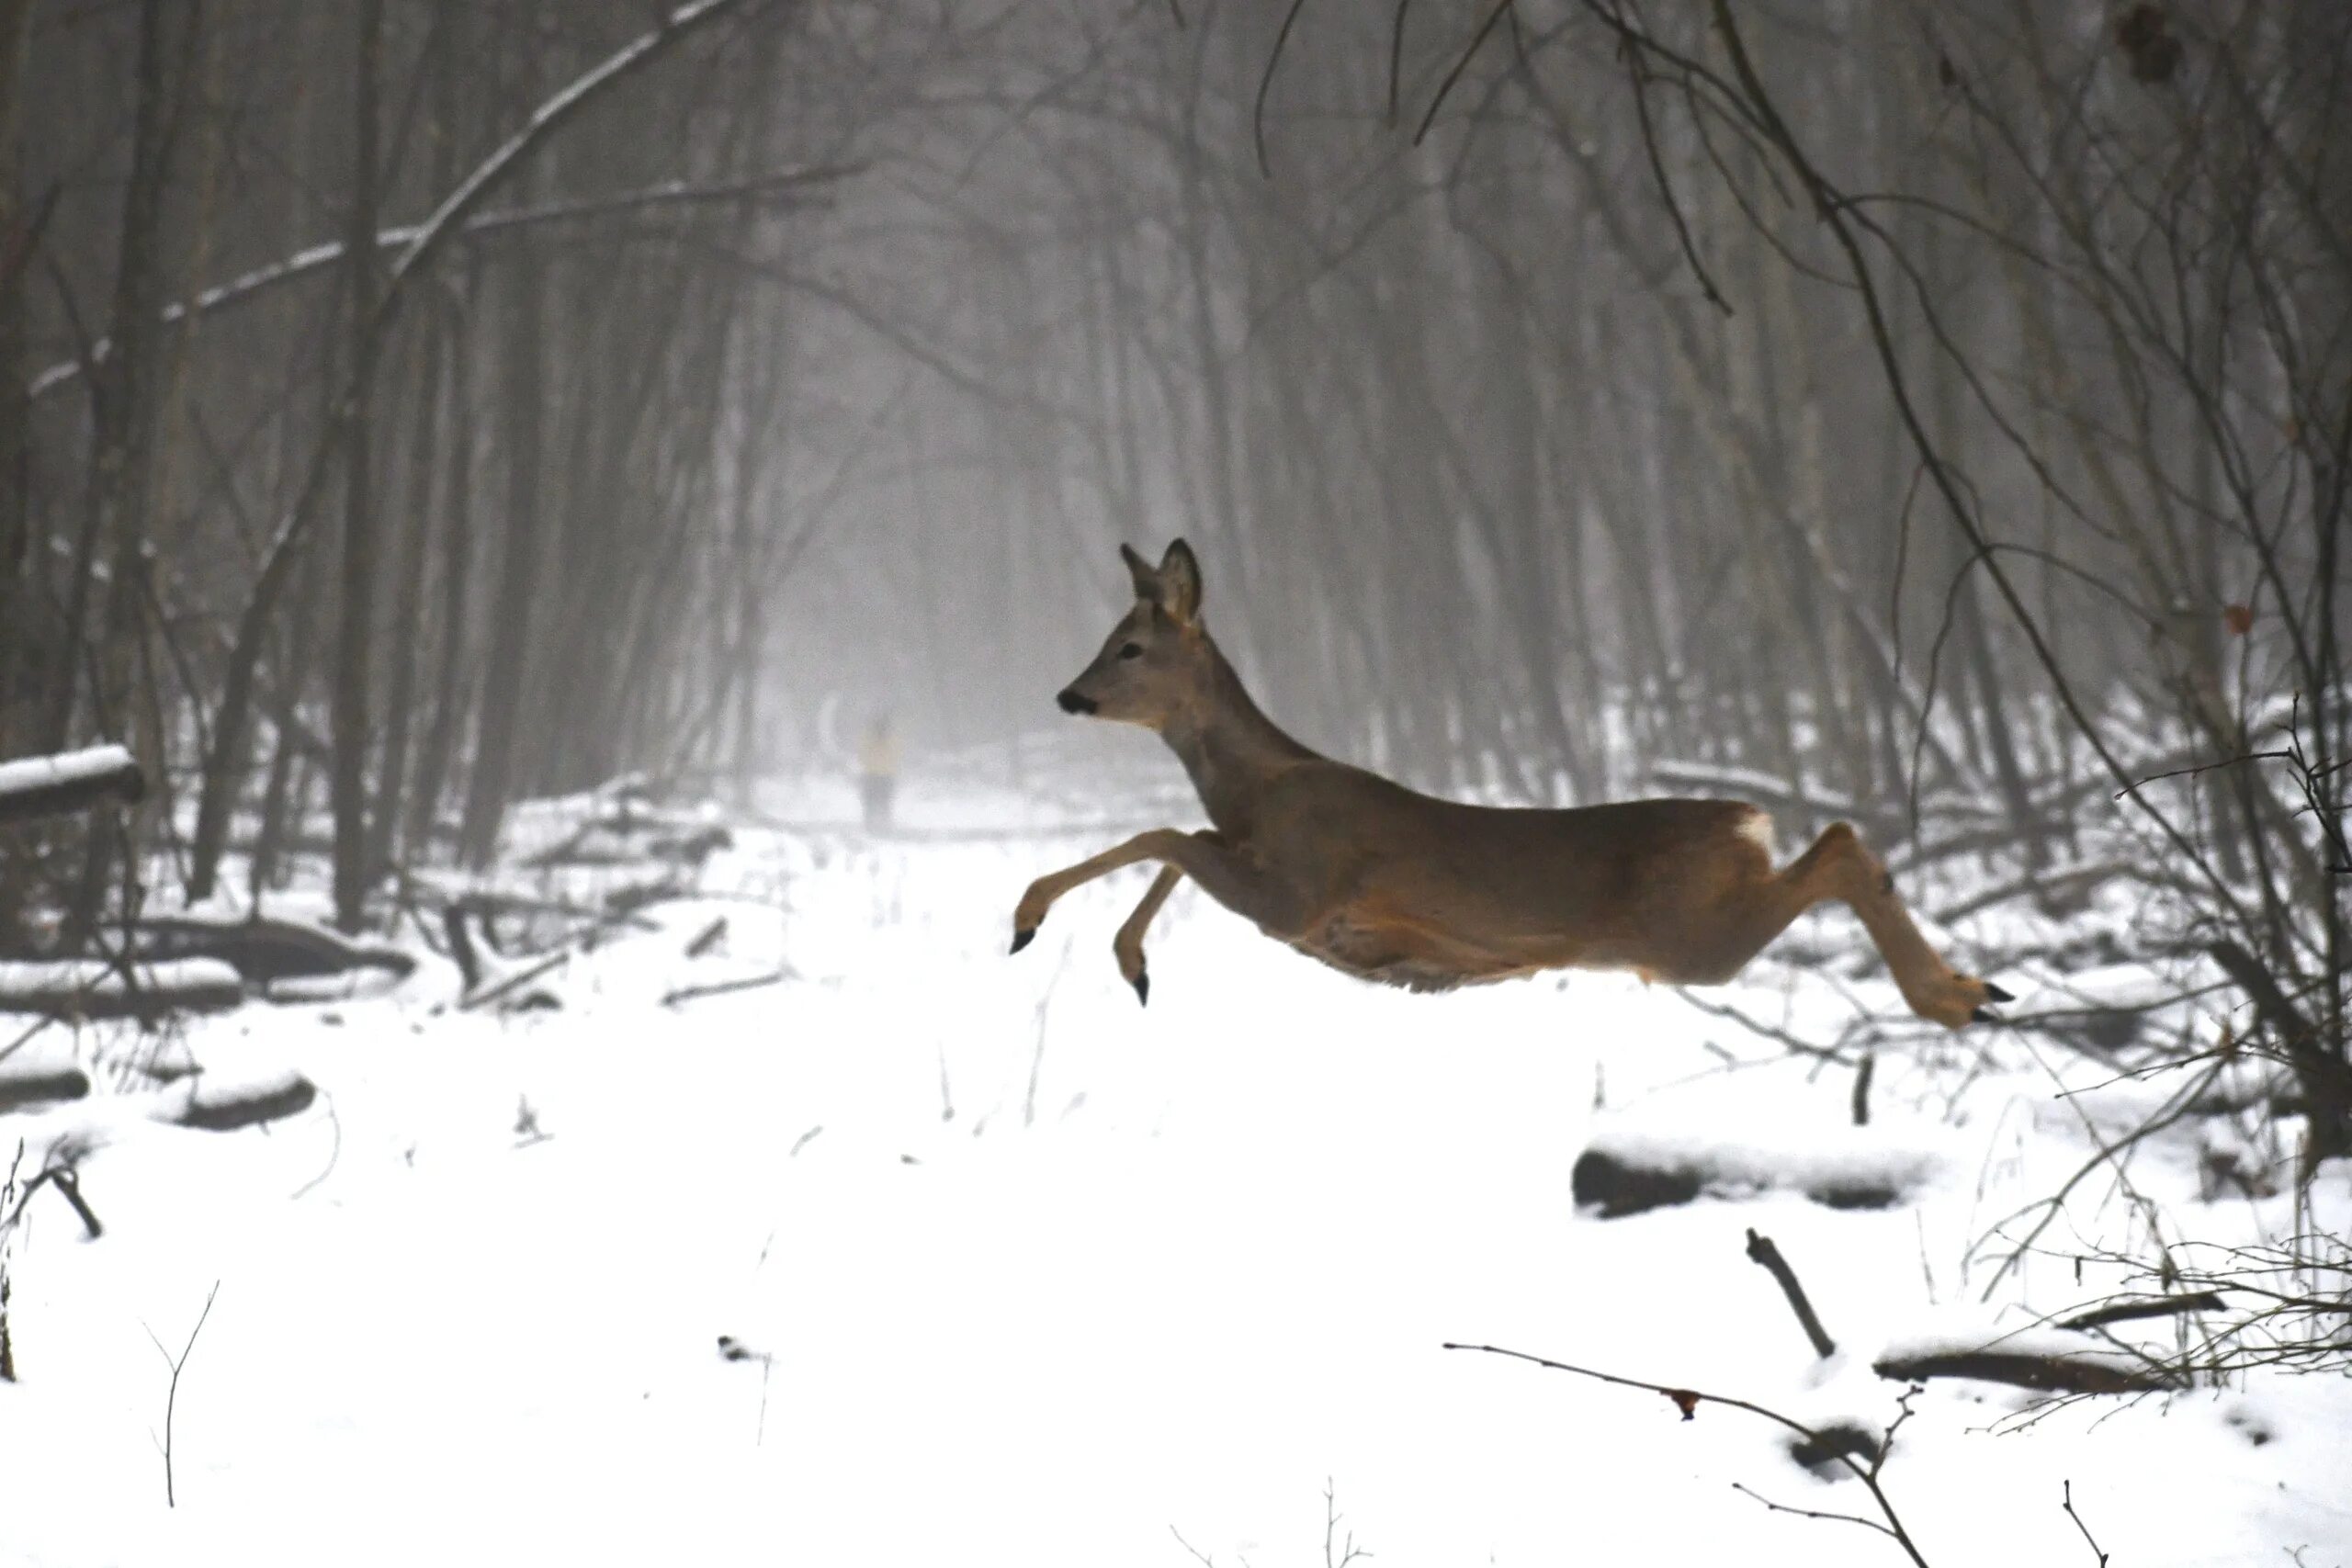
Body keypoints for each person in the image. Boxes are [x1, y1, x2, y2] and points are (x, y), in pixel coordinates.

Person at [857, 713, 900, 831]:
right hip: (885, 775)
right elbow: (897, 755)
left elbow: (862, 754)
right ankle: (883, 824)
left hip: (872, 775)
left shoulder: (867, 738)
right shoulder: (892, 739)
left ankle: (870, 824)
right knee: (883, 802)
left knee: (872, 802)